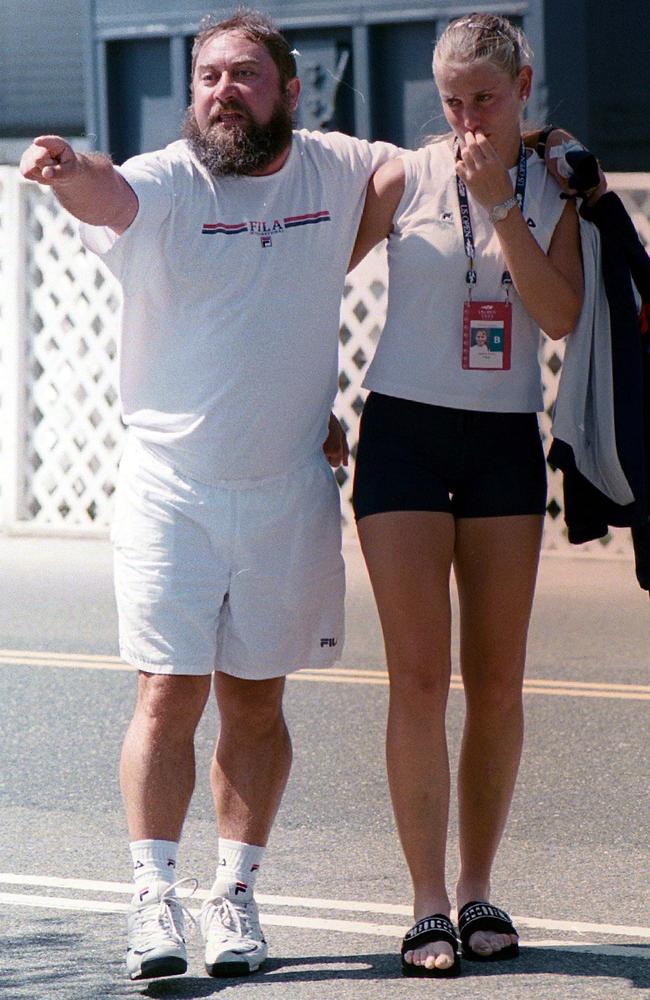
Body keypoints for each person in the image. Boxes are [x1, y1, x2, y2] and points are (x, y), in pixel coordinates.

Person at [20, 9, 398, 983]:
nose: (221, 92)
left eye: (243, 76)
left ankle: (233, 895)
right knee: (167, 694)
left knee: (256, 705)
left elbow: (408, 177)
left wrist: (511, 138)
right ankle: (153, 900)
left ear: (289, 90)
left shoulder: (330, 164)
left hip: (286, 492)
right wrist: (68, 168)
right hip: (170, 491)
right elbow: (108, 195)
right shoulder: (168, 180)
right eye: (206, 78)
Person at [349, 14, 583, 978]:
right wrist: (309, 410)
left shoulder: (558, 180)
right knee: (417, 679)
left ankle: (480, 882)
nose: (468, 117)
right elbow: (307, 287)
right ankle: (426, 904)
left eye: (484, 97)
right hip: (401, 431)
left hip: (501, 443)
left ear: (524, 83)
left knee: (496, 683)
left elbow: (559, 314)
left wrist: (504, 206)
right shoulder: (404, 177)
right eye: (451, 100)